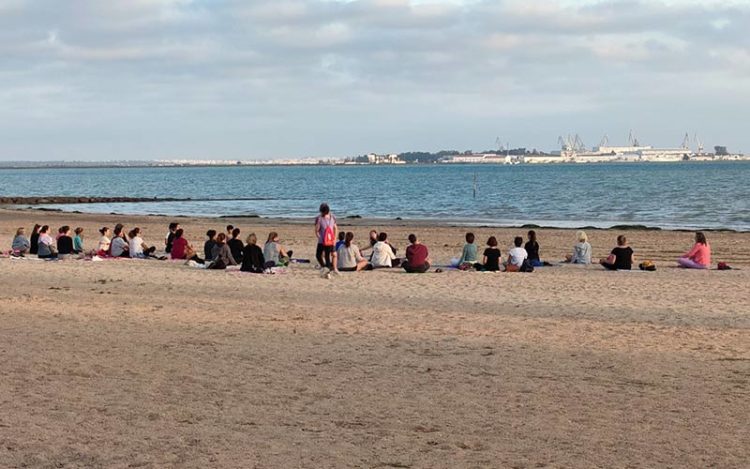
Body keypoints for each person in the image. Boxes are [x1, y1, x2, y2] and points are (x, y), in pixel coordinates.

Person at [314, 203, 338, 271]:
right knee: (326, 256)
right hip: (330, 240)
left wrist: (319, 237)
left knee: (320, 255)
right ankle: (327, 267)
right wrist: (334, 239)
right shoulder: (332, 217)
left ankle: (326, 268)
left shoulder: (319, 218)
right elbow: (335, 228)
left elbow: (316, 230)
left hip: (324, 241)